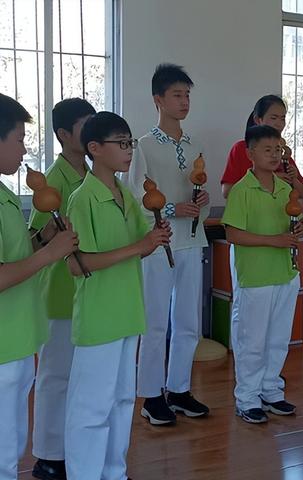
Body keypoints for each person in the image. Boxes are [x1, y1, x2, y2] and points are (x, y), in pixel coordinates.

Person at [65, 111, 171, 479]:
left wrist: (154, 241)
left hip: (128, 312)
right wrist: (139, 245)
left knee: (123, 402)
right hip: (99, 318)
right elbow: (78, 265)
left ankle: (114, 472)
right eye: (121, 143)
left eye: (130, 143)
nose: (128, 150)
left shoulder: (125, 193)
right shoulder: (83, 199)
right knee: (91, 408)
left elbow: (139, 248)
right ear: (95, 149)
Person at [122, 63, 210, 425]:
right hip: (159, 243)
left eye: (187, 95)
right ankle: (150, 395)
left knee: (189, 321)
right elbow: (134, 197)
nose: (184, 101)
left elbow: (196, 186)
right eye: (177, 95)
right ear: (158, 99)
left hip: (193, 238)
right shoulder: (142, 146)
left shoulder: (194, 145)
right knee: (156, 321)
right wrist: (173, 207)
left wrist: (199, 201)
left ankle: (179, 389)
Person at [0, 93, 77, 480]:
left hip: (17, 337)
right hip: (3, 345)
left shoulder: (6, 196)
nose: (24, 149)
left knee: (11, 443)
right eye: (17, 138)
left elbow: (13, 255)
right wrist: (52, 255)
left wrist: (44, 238)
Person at [28, 98, 96, 480]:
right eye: (85, 125)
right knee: (55, 375)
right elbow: (37, 239)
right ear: (64, 134)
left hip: (87, 290)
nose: (91, 132)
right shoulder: (52, 180)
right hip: (57, 292)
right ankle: (48, 454)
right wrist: (52, 231)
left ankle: (72, 446)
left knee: (79, 376)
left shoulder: (92, 174)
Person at [221, 125, 303, 424]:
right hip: (255, 276)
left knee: (279, 338)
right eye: (267, 150)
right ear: (250, 153)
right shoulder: (242, 190)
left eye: (278, 150)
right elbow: (232, 234)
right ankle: (247, 397)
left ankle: (271, 390)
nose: (274, 155)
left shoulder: (284, 189)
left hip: (285, 272)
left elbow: (291, 226)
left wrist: (296, 231)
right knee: (252, 340)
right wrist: (275, 241)